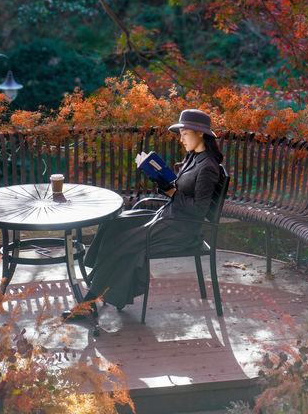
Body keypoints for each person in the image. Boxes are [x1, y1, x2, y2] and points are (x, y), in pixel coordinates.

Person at [66, 109, 223, 317]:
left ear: (200, 133)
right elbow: (182, 191)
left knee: (122, 242)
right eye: (181, 135)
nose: (181, 139)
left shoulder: (208, 167)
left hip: (181, 230)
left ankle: (89, 303)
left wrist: (171, 191)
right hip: (168, 216)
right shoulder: (194, 157)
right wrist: (162, 181)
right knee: (113, 224)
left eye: (185, 134)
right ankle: (99, 280)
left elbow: (198, 210)